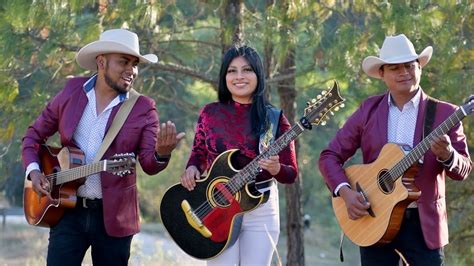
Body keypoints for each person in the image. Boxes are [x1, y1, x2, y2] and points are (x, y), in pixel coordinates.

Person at [22, 28, 185, 265]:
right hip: (67, 210)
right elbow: (33, 136)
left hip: (115, 219)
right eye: (124, 62)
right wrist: (34, 171)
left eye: (135, 64)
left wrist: (162, 152)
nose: (132, 70)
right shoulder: (71, 92)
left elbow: (149, 164)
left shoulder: (143, 108)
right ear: (101, 62)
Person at [318, 34, 472, 265]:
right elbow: (329, 156)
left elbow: (464, 169)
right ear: (382, 73)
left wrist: (448, 155)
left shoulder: (445, 114)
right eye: (395, 68)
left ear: (419, 67)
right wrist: (346, 193)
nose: (404, 72)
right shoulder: (368, 110)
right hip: (374, 218)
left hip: (423, 225)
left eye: (410, 66)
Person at [179, 45, 298, 265]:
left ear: (258, 75)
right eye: (232, 71)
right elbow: (198, 155)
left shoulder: (274, 118)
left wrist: (276, 169)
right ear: (224, 76)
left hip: (260, 209)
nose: (239, 76)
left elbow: (291, 174)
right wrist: (191, 169)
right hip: (217, 206)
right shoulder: (210, 113)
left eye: (247, 70)